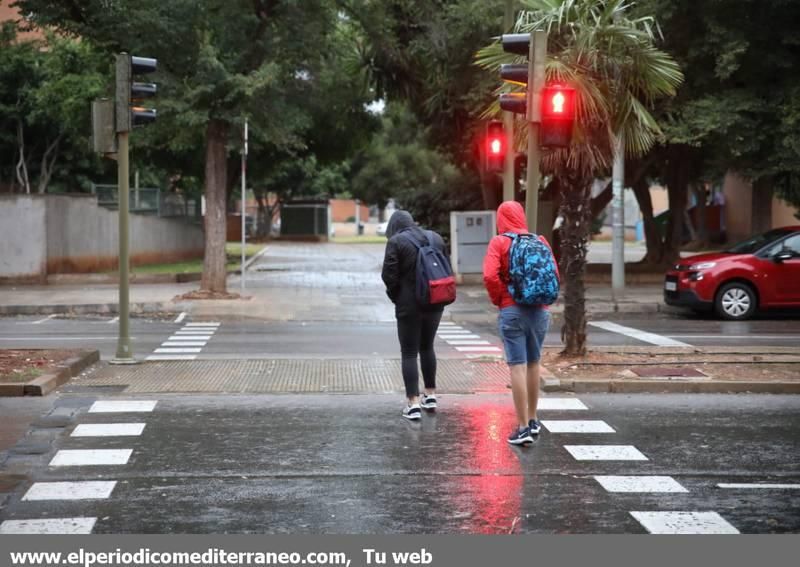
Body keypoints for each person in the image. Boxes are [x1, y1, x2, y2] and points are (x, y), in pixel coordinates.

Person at [483, 201, 558, 445]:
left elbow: (489, 275)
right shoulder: (541, 241)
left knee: (517, 366)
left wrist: (500, 299)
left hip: (511, 310)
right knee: (534, 364)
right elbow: (554, 274)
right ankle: (534, 420)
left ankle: (523, 427)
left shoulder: (500, 242)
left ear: (501, 218)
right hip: (540, 311)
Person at [381, 210, 448, 420]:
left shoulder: (396, 242)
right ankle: (430, 394)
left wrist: (397, 297)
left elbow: (388, 276)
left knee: (409, 352)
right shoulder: (434, 238)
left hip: (409, 304)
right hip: (435, 300)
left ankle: (413, 403)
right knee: (427, 346)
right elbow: (446, 267)